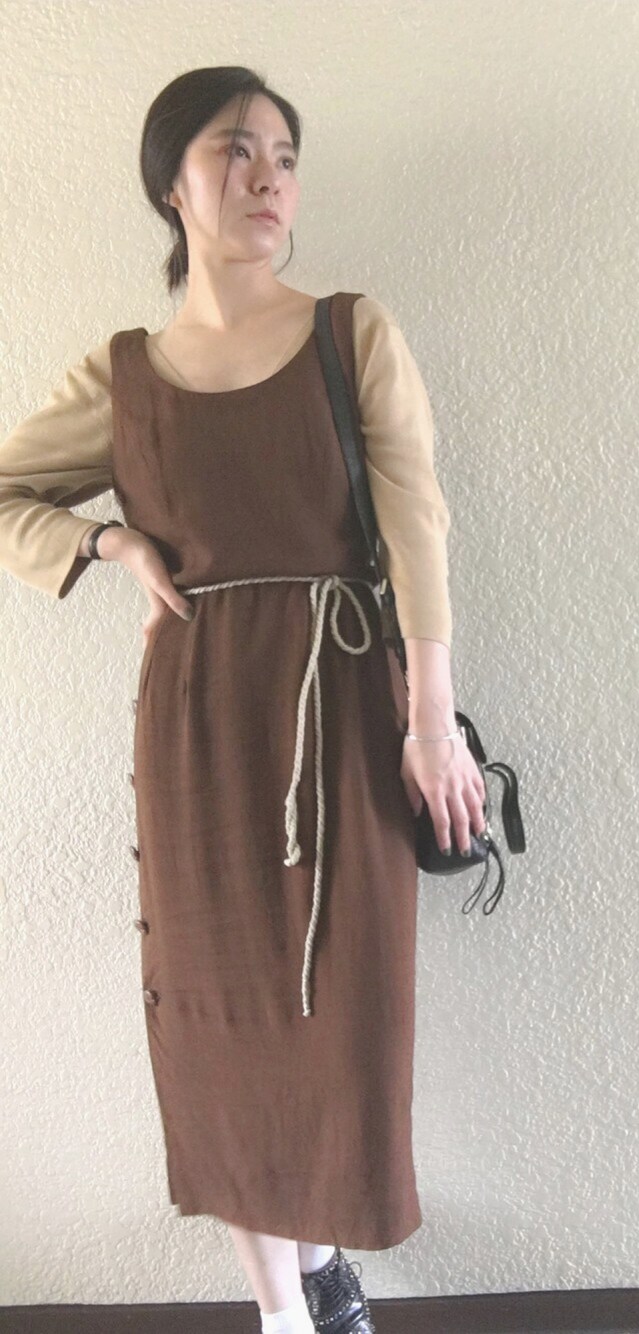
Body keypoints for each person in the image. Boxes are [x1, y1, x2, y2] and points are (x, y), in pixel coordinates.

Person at [0, 65, 486, 1334]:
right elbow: (7, 492)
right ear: (172, 183)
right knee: (216, 1016)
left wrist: (431, 720)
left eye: (284, 155)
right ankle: (286, 1308)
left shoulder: (348, 333)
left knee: (339, 1011)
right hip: (199, 716)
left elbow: (416, 522)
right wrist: (108, 543)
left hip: (345, 697)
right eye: (235, 150)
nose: (268, 177)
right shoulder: (126, 376)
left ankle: (319, 1255)